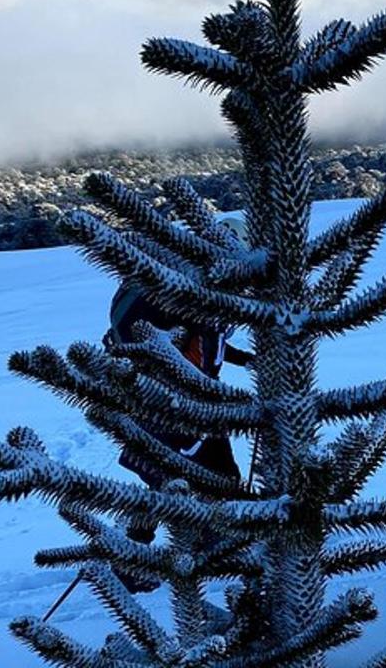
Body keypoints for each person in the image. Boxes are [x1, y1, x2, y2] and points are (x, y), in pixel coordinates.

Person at [107, 216, 254, 590]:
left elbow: (197, 340)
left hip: (142, 392)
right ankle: (208, 543)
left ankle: (135, 552)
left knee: (163, 474)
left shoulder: (168, 280)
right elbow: (200, 347)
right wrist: (210, 399)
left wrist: (241, 359)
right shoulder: (200, 292)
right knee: (208, 473)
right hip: (180, 401)